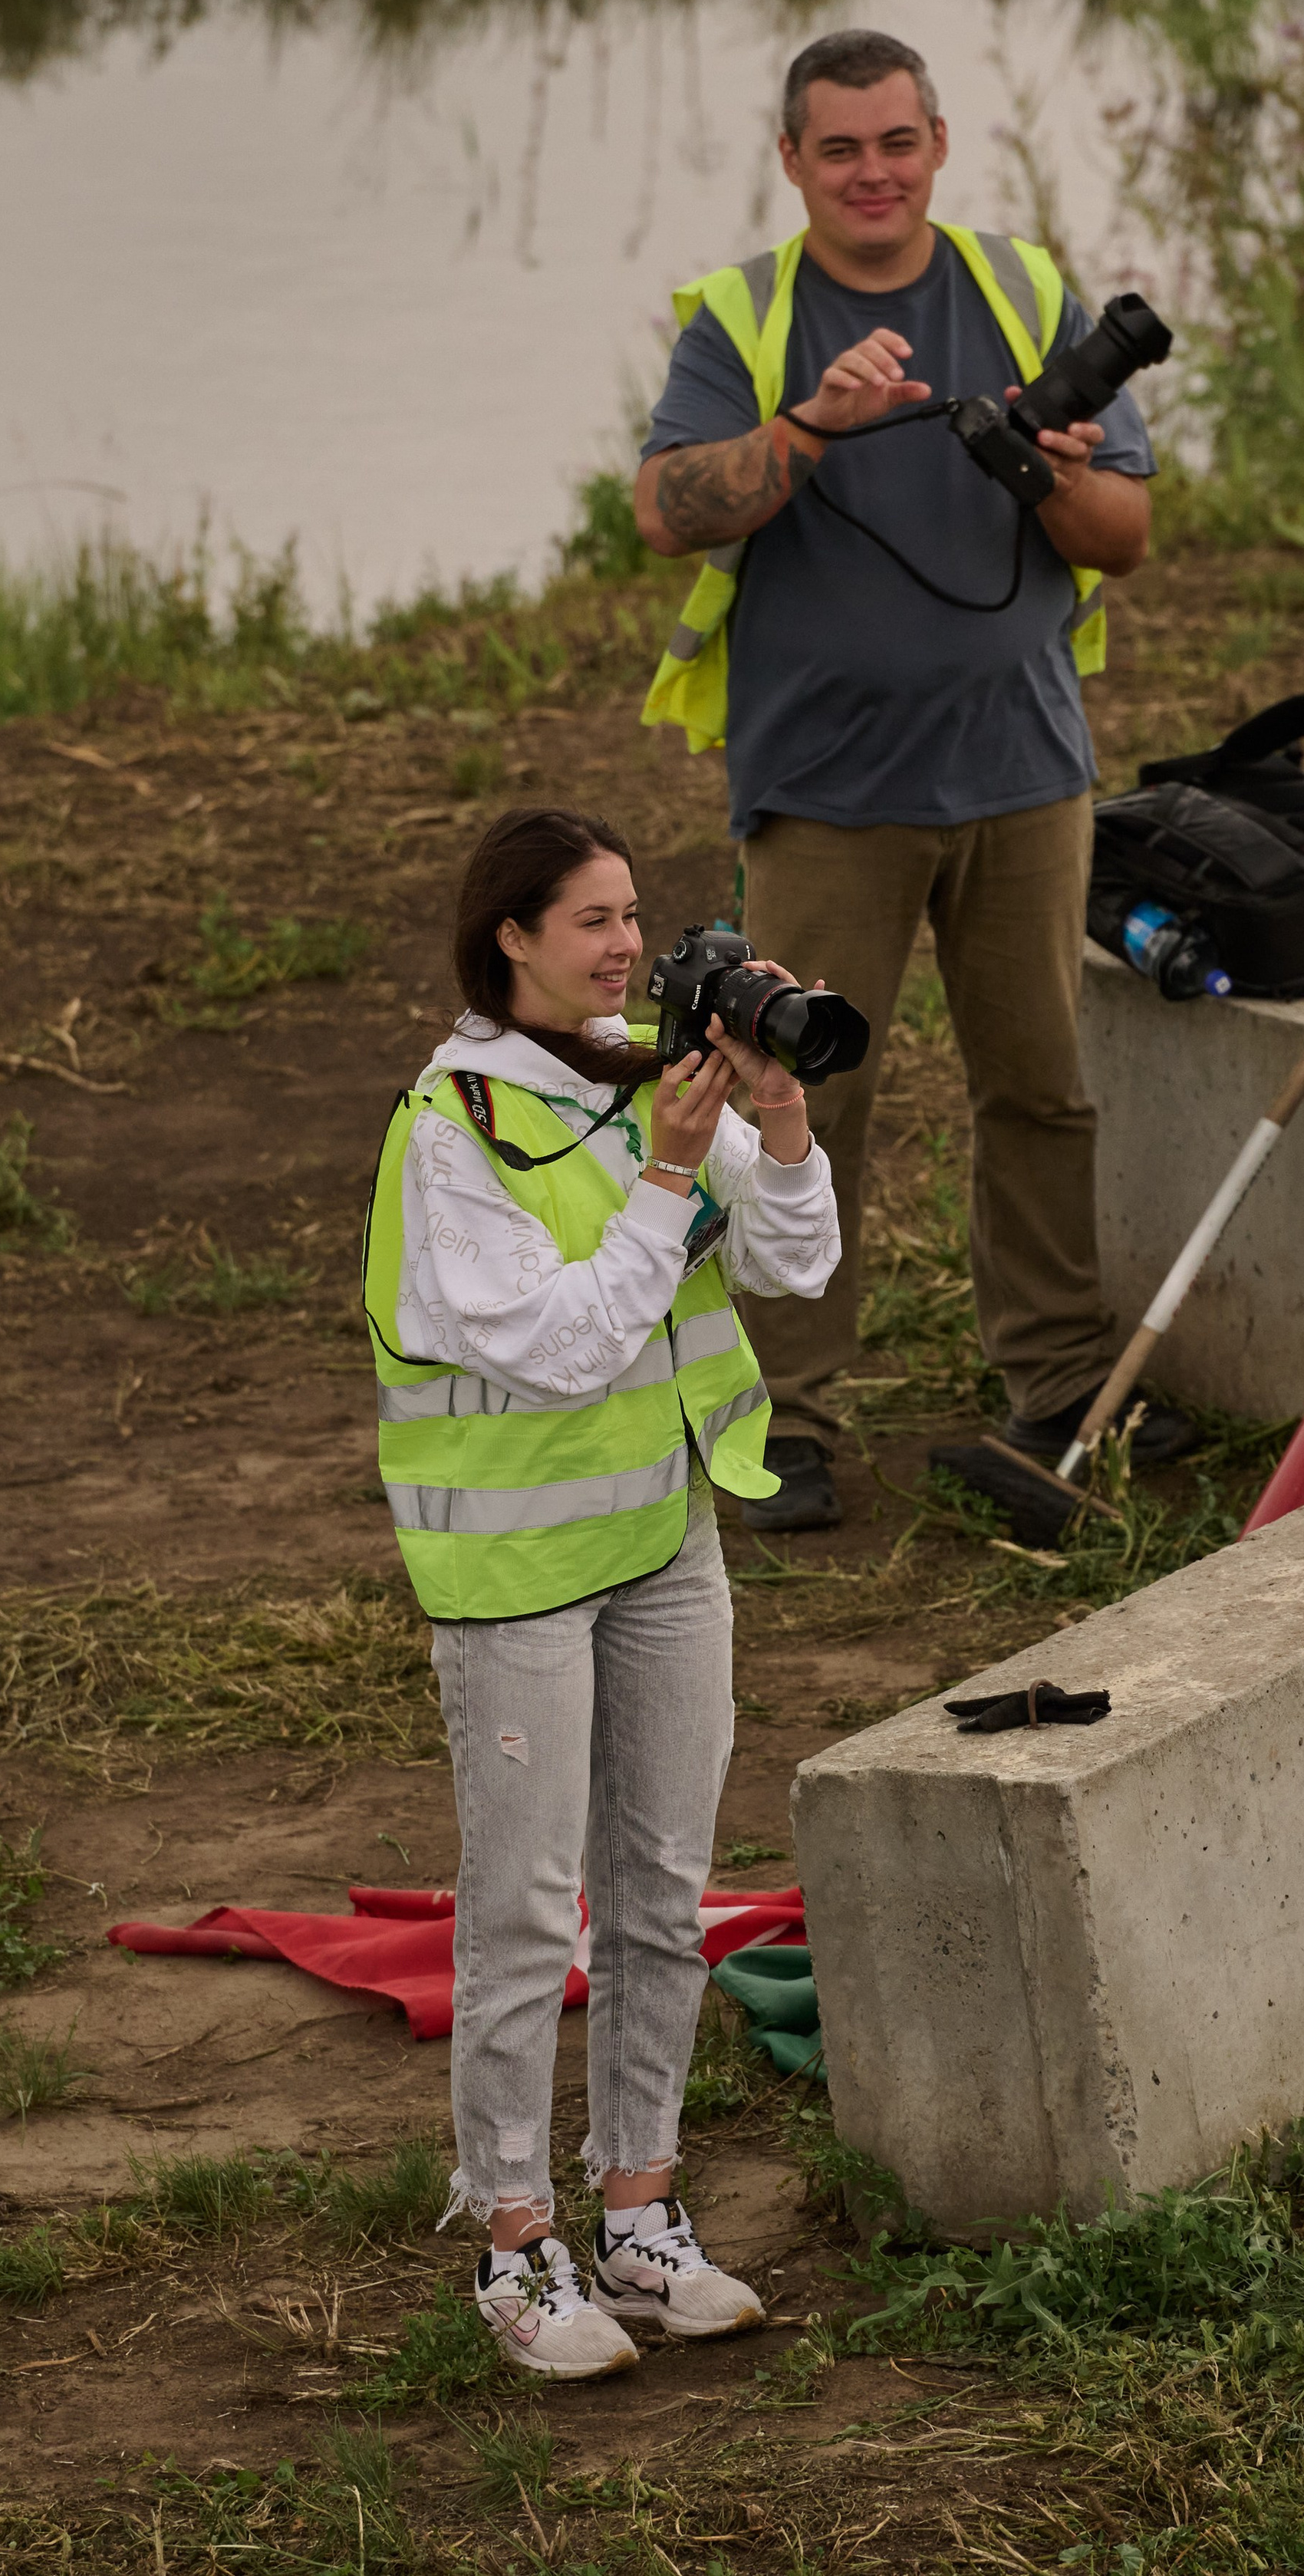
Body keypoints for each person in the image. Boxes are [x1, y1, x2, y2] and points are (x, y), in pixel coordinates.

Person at [632, 24, 1194, 1533]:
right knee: (804, 1102)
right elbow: (667, 509)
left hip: (1023, 777)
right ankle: (784, 1417)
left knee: (1042, 1093)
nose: (870, 171)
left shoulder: (1018, 293)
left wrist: (1051, 465)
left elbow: (1120, 537)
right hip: (823, 791)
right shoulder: (747, 318)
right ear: (792, 161)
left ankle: (1061, 1379)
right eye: (839, 148)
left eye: (895, 142)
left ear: (936, 145)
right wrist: (813, 425)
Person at [361, 805, 838, 2380]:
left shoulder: (645, 1080)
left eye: (634, 914)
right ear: (509, 937)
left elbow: (792, 1269)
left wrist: (770, 1120)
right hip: (512, 1580)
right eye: (590, 920)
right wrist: (671, 1176)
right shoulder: (458, 1126)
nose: (626, 945)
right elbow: (561, 1339)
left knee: (659, 1892)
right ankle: (511, 2240)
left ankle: (639, 2211)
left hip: (660, 1543)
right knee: (517, 1919)